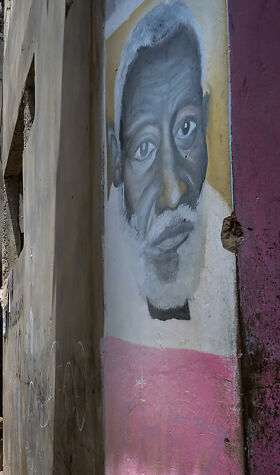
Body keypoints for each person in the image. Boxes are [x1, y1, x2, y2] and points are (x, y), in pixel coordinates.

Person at [106, 1, 233, 330]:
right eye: (144, 147)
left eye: (186, 129)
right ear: (117, 157)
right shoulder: (101, 267)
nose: (174, 194)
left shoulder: (231, 242)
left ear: (205, 121)